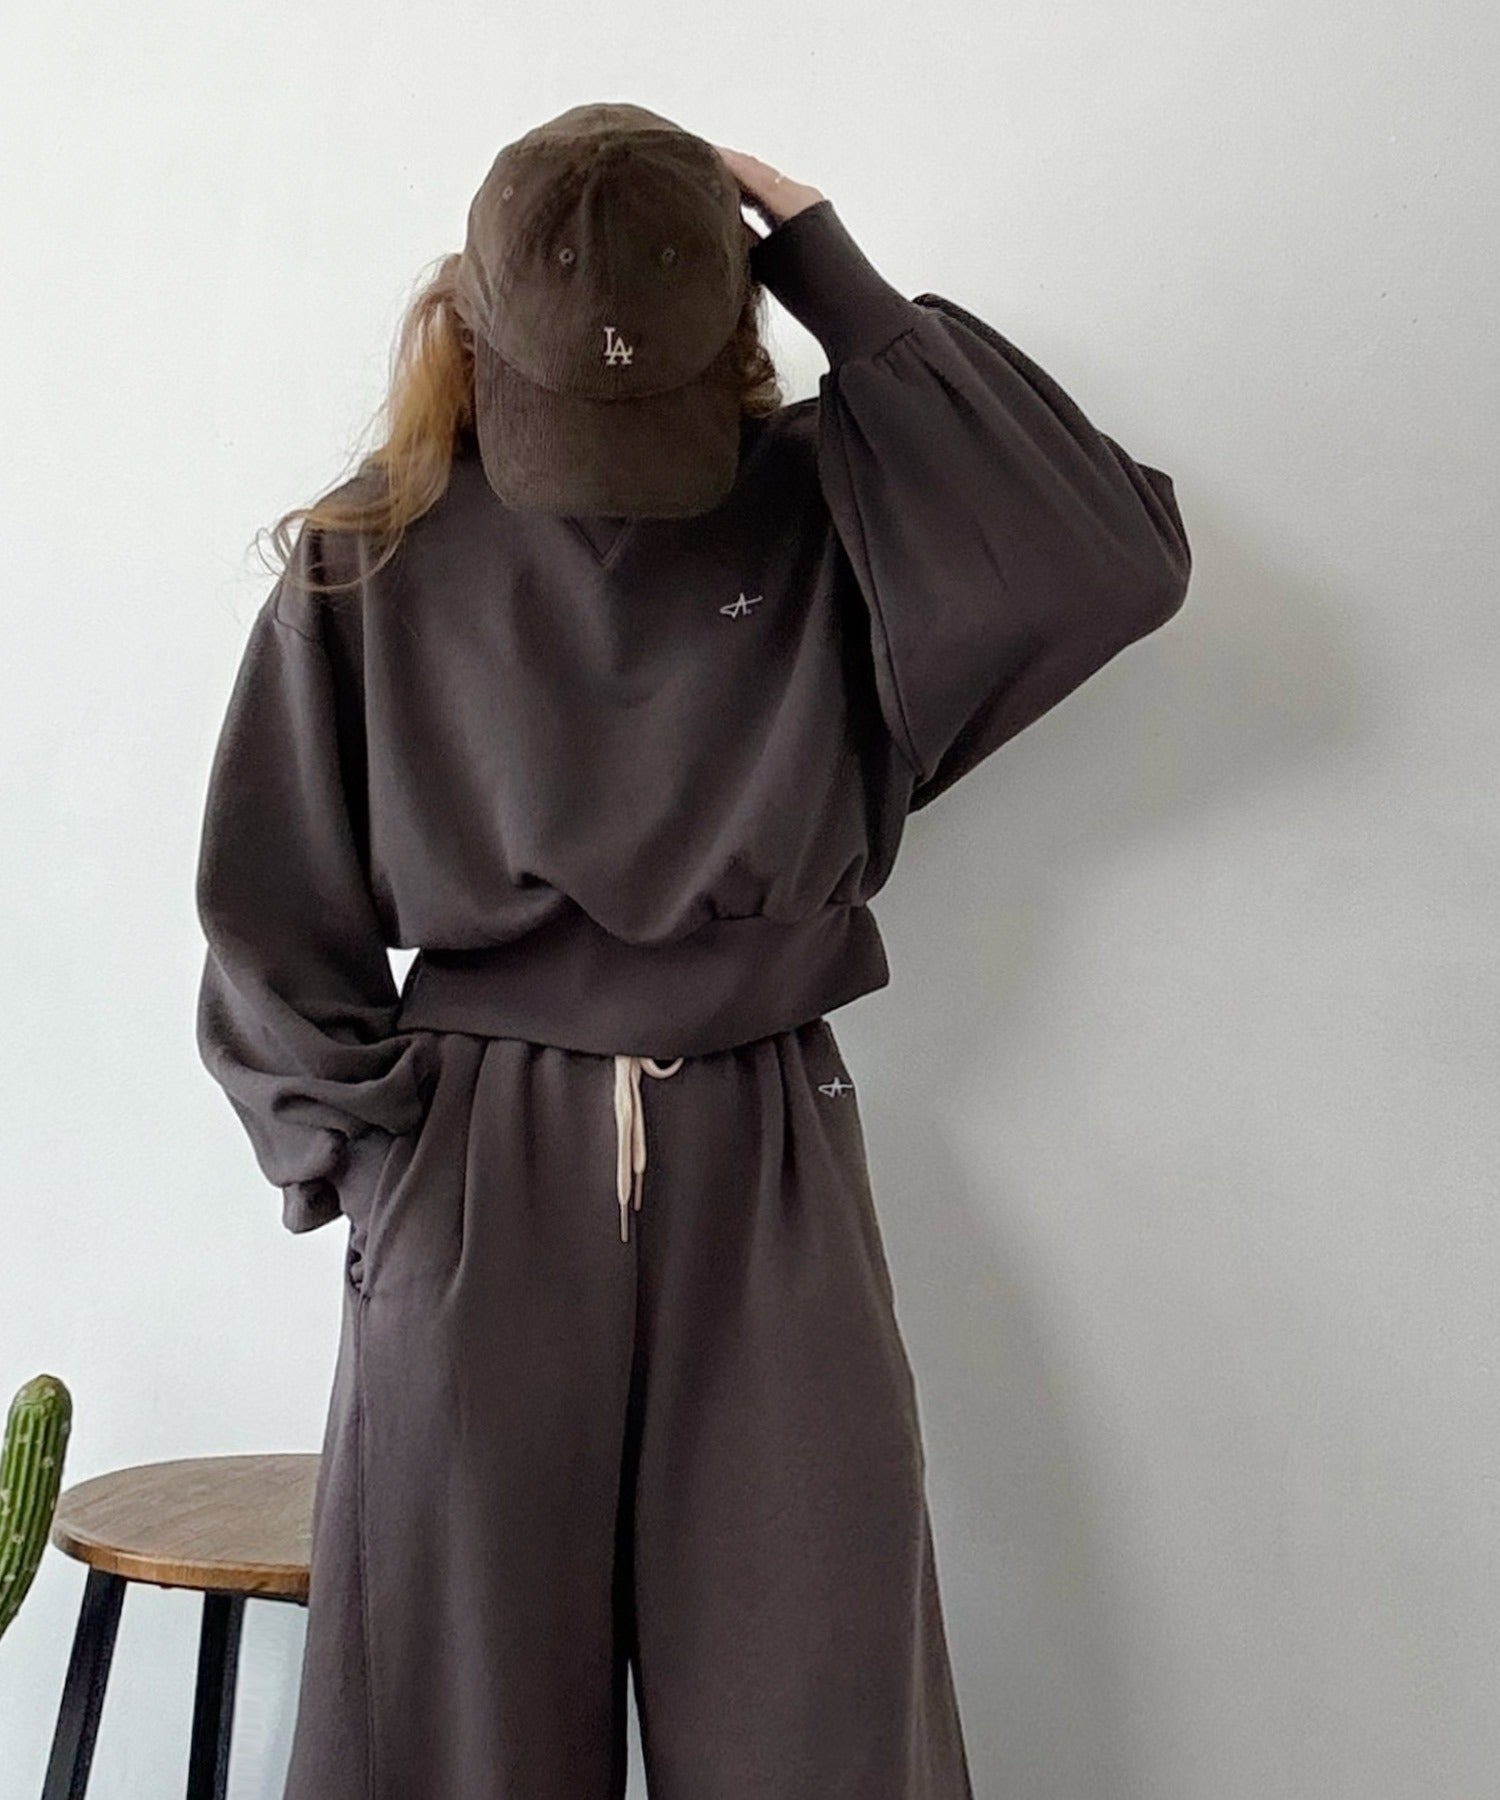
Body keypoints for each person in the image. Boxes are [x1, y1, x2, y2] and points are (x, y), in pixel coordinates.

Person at [194, 100, 1191, 1800]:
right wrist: (374, 1169)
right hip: (474, 1166)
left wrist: (831, 270)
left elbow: (1108, 569)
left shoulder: (832, 524)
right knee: (454, 1733)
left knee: (821, 1715)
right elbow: (268, 908)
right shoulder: (374, 553)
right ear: (472, 326)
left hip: (764, 1140)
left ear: (733, 335)